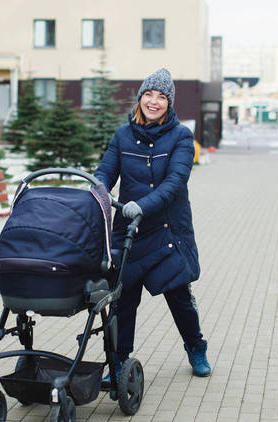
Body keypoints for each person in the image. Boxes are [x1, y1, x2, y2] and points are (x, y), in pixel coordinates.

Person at [94, 68, 211, 378]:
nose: (154, 101)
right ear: (140, 97)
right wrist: (100, 189)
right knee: (123, 300)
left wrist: (142, 206)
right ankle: (118, 361)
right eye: (149, 94)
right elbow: (106, 170)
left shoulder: (181, 137)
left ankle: (196, 346)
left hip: (167, 230)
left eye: (161, 96)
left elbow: (175, 183)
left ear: (169, 103)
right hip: (129, 231)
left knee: (179, 297)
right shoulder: (122, 135)